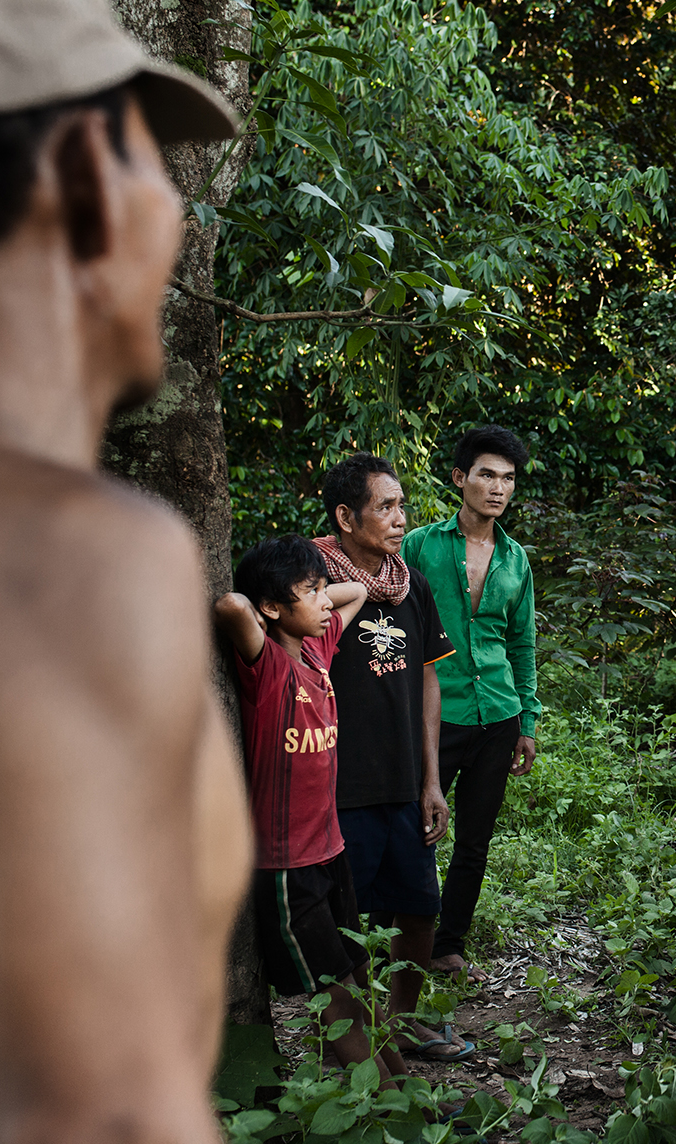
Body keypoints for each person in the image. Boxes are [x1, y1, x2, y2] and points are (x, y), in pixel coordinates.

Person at [0, 0, 254, 1137]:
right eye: (151, 156)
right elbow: (100, 1116)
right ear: (81, 176)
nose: (170, 207)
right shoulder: (57, 560)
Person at [214, 538, 403, 1078]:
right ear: (272, 609)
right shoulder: (267, 666)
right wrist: (263, 604)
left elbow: (358, 590)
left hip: (330, 851)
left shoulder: (318, 652)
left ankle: (410, 1096)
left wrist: (310, 588)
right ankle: (389, 1113)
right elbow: (230, 606)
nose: (325, 601)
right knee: (335, 999)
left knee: (359, 981)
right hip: (286, 867)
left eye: (322, 590)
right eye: (310, 592)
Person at [315, 455, 472, 1061]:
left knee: (417, 912)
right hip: (339, 787)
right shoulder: (313, 589)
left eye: (402, 505)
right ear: (345, 517)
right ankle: (353, 1051)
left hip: (404, 783)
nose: (401, 518)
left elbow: (428, 683)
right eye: (386, 507)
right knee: (342, 927)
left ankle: (402, 1025)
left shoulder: (411, 584)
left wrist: (432, 780)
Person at [402, 425, 543, 982]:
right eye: (487, 475)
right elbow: (396, 627)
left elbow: (522, 643)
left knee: (475, 839)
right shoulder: (420, 546)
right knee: (419, 828)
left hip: (498, 715)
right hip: (436, 714)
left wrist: (526, 721)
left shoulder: (515, 560)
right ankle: (406, 937)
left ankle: (447, 944)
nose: (498, 488)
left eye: (508, 479)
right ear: (461, 479)